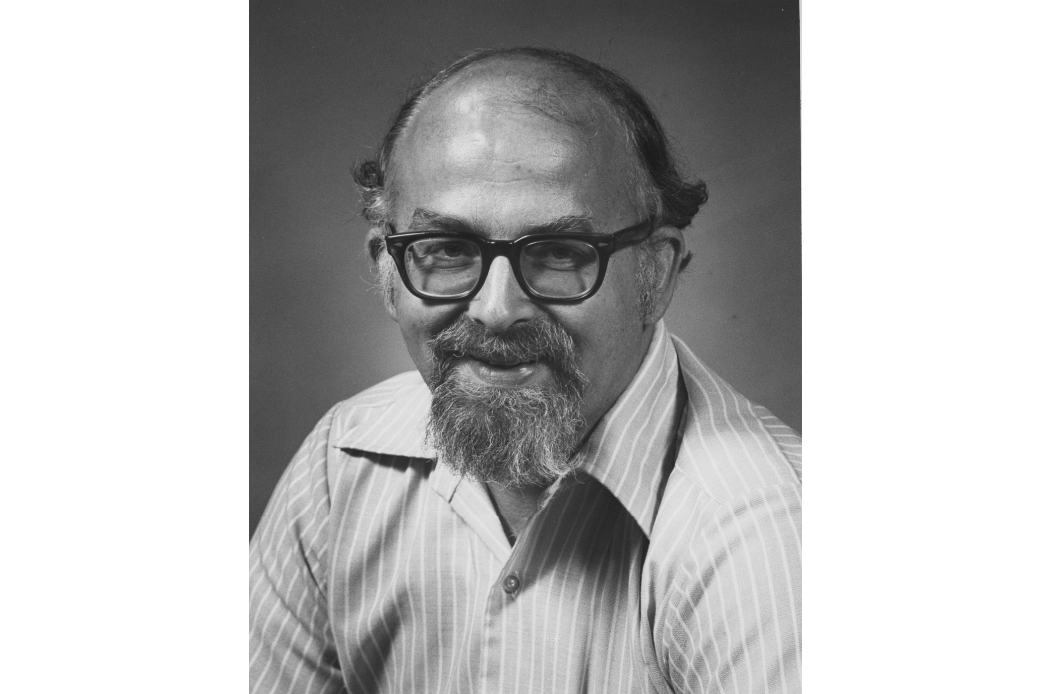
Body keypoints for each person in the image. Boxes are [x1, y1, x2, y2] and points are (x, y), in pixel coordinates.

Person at [250, 47, 801, 694]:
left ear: (655, 275)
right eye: (448, 249)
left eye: (560, 252)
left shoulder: (768, 540)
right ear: (387, 272)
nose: (496, 310)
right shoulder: (339, 469)